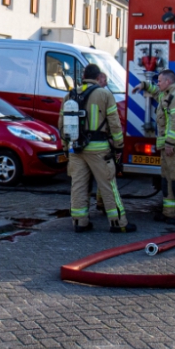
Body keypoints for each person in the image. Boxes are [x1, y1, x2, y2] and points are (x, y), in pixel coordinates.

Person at [59, 64, 135, 233]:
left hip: (76, 149)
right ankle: (118, 223)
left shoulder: (70, 95)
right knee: (108, 184)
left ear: (84, 76)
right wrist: (119, 146)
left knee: (78, 186)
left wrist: (66, 147)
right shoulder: (104, 94)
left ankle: (79, 222)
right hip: (99, 149)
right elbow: (114, 124)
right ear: (97, 77)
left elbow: (62, 124)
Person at [134, 69, 175, 229]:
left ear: (168, 82)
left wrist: (170, 143)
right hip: (168, 148)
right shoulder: (166, 95)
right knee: (167, 180)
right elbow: (155, 92)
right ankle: (170, 212)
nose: (158, 84)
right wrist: (144, 85)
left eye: (159, 81)